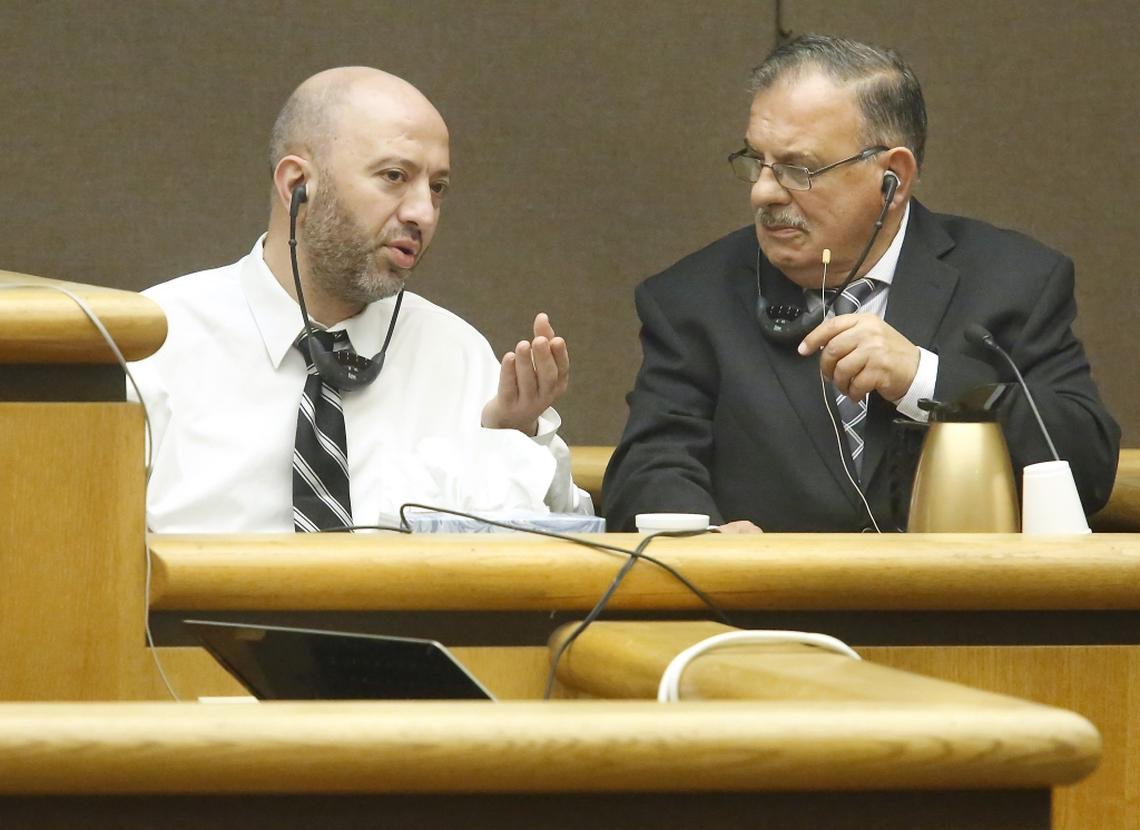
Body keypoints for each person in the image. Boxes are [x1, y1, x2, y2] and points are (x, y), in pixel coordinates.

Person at [603, 35, 1119, 533]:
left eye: (798, 169)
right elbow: (649, 471)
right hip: (771, 610)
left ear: (892, 178)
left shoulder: (1016, 280)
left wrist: (925, 381)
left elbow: (1087, 468)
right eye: (756, 161)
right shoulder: (692, 299)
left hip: (958, 612)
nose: (763, 192)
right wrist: (712, 540)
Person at [129, 67, 590, 532]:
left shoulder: (456, 355)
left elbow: (570, 544)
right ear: (296, 187)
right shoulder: (153, 346)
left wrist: (514, 436)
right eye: (394, 176)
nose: (423, 213)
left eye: (437, 188)